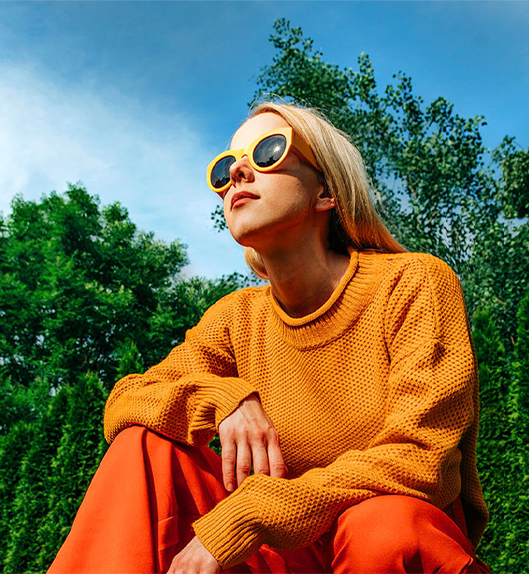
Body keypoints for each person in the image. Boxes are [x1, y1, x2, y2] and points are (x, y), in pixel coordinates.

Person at [48, 101, 491, 574]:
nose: (237, 173)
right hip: (288, 560)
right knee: (143, 444)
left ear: (326, 191)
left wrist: (247, 515)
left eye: (268, 151)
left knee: (384, 525)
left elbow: (420, 459)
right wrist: (225, 400)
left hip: (395, 549)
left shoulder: (413, 282)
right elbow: (125, 402)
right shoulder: (236, 318)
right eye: (225, 168)